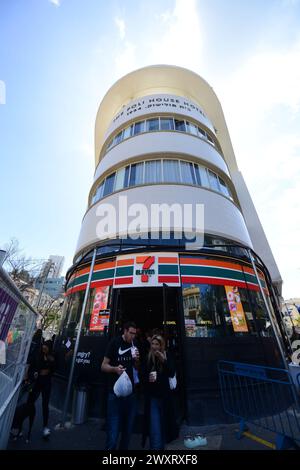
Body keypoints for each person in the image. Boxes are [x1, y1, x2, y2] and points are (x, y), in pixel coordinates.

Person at [101, 321, 140, 450]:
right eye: (131, 333)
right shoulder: (114, 343)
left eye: (135, 334)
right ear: (125, 331)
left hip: (131, 394)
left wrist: (137, 360)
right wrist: (114, 369)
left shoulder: (135, 345)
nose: (133, 336)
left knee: (128, 431)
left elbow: (137, 368)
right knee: (113, 431)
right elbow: (103, 366)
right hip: (115, 394)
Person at [142, 335, 179, 450]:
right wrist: (148, 378)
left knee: (165, 425)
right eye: (152, 344)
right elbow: (142, 375)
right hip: (153, 397)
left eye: (157, 344)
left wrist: (164, 361)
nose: (154, 347)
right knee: (155, 427)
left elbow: (172, 373)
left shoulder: (167, 356)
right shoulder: (148, 357)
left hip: (165, 397)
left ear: (161, 345)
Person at [27, 339, 55, 437]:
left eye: (46, 348)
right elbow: (32, 366)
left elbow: (55, 368)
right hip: (37, 382)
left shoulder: (52, 357)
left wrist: (49, 369)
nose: (45, 350)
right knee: (29, 402)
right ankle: (22, 425)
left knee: (45, 404)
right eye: (44, 348)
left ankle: (45, 426)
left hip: (46, 383)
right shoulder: (38, 355)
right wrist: (36, 373)